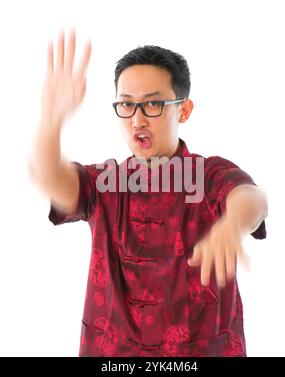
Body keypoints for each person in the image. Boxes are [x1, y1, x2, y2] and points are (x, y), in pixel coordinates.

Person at [27, 29, 268, 357]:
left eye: (153, 104)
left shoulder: (209, 174)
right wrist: (50, 120)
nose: (137, 119)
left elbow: (251, 199)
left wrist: (232, 224)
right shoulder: (106, 182)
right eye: (126, 105)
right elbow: (50, 178)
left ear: (183, 110)